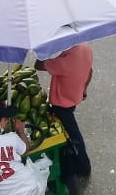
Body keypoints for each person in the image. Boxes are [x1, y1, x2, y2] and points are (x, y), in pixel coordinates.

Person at [36, 44, 93, 179]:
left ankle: (84, 165)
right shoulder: (85, 48)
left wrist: (44, 50)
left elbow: (38, 65)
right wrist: (84, 89)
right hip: (75, 97)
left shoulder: (62, 63)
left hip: (62, 105)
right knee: (69, 129)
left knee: (73, 134)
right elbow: (90, 71)